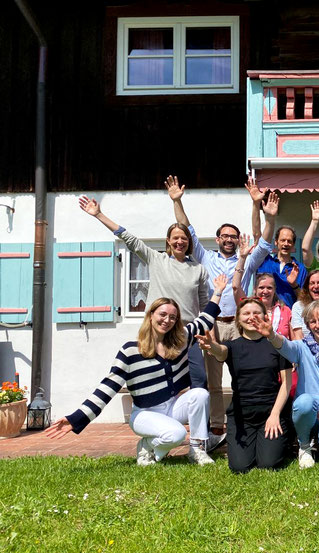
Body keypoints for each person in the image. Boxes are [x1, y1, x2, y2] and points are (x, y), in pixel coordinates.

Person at [45, 276, 228, 466]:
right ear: (151, 315)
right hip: (145, 414)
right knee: (177, 434)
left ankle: (197, 450)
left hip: (172, 407)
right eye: (162, 314)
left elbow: (204, 321)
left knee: (199, 394)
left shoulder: (180, 341)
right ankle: (146, 446)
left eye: (173, 317)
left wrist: (218, 292)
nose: (167, 320)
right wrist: (76, 419)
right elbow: (107, 388)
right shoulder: (131, 350)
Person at [167, 175, 279, 447]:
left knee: (247, 375)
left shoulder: (247, 260)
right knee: (214, 381)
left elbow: (265, 241)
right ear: (217, 239)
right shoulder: (205, 258)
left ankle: (247, 421)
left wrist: (264, 212)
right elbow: (186, 228)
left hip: (242, 325)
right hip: (213, 325)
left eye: (233, 236)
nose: (229, 240)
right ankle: (217, 429)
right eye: (225, 236)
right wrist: (177, 200)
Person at [79, 195, 210, 397]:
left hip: (187, 334)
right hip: (159, 332)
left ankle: (202, 428)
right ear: (168, 241)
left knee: (199, 380)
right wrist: (99, 215)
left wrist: (209, 334)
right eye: (175, 238)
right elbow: (128, 238)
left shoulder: (199, 269)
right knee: (156, 380)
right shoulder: (156, 259)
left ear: (189, 241)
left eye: (184, 238)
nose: (180, 241)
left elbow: (205, 306)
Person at [196, 297, 292, 473]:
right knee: (240, 466)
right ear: (238, 319)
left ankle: (280, 440)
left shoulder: (277, 344)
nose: (251, 317)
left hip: (271, 413)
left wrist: (275, 414)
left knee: (268, 464)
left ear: (265, 316)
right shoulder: (232, 346)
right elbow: (221, 352)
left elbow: (287, 382)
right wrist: (211, 346)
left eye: (256, 313)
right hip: (242, 416)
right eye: (246, 313)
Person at [256, 300, 319, 469]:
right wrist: (271, 335)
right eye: (312, 322)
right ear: (308, 326)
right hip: (310, 411)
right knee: (304, 402)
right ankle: (304, 446)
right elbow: (284, 345)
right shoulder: (302, 347)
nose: (318, 325)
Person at [247, 178, 308, 307]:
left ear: (293, 245)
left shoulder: (299, 268)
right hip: (263, 315)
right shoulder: (265, 260)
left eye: (289, 241)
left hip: (288, 319)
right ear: (276, 242)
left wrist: (294, 285)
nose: (286, 243)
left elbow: (304, 299)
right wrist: (255, 203)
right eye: (282, 240)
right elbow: (257, 234)